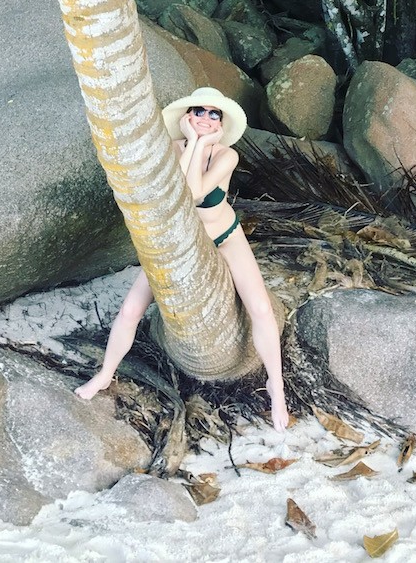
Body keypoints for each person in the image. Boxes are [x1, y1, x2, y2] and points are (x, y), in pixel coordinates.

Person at [75, 86, 289, 430]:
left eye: (213, 114)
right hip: (179, 243)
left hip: (224, 237)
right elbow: (182, 195)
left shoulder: (226, 156)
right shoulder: (173, 149)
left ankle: (276, 391)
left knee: (261, 309)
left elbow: (197, 193)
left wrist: (201, 144)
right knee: (131, 309)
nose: (205, 119)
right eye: (198, 112)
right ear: (187, 117)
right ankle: (105, 375)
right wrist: (192, 144)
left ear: (221, 122)